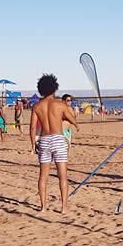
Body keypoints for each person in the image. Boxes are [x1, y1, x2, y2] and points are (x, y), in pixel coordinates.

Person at [30, 74, 77, 213]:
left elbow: (32, 128)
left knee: (43, 176)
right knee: (62, 175)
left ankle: (43, 207)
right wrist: (76, 124)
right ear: (54, 88)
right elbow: (71, 118)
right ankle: (64, 207)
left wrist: (32, 144)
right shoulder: (60, 105)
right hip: (58, 139)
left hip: (44, 139)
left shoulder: (37, 106)